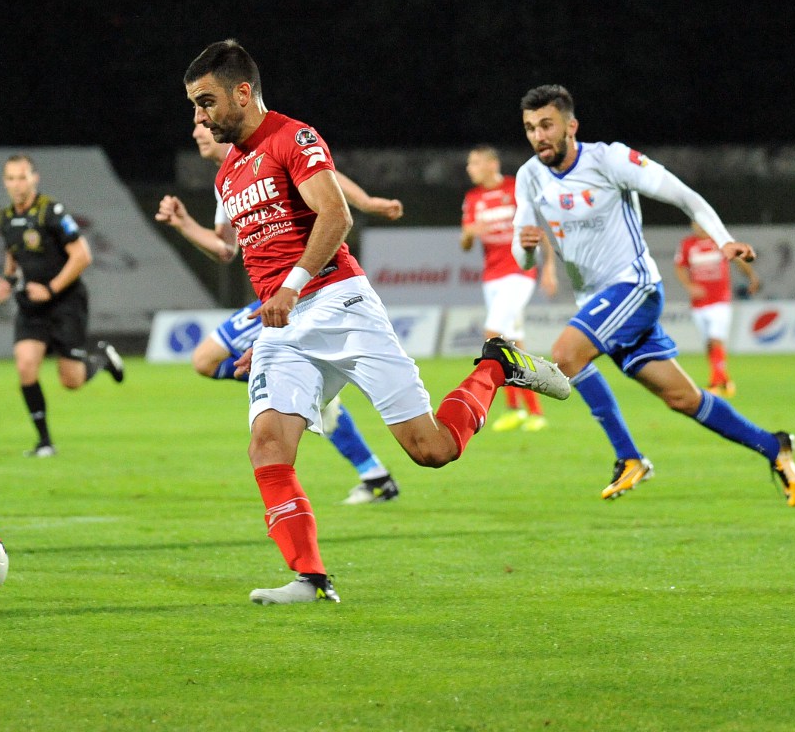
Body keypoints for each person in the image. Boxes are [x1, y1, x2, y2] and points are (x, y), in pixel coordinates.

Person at [182, 39, 570, 605]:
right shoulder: (228, 175)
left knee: (431, 449)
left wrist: (291, 287)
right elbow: (260, 257)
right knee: (267, 447)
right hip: (283, 330)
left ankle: (496, 366)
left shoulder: (294, 138)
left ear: (243, 92)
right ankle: (312, 580)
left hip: (340, 305)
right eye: (195, 106)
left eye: (206, 102)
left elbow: (335, 214)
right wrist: (267, 331)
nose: (200, 117)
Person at [511, 84, 795, 506]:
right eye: (530, 128)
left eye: (547, 125)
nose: (539, 136)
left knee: (565, 355)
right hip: (598, 304)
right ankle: (774, 446)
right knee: (682, 398)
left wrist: (723, 240)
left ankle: (629, 458)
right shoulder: (528, 176)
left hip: (635, 287)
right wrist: (526, 247)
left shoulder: (609, 160)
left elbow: (685, 196)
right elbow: (522, 257)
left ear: (571, 126)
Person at [157, 124, 404, 505]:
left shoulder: (264, 154)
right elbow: (225, 250)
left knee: (206, 359)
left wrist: (367, 202)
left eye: (204, 120)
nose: (197, 131)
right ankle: (313, 395)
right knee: (206, 361)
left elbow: (325, 176)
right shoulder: (226, 179)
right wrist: (184, 224)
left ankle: (303, 386)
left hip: (304, 293)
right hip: (275, 297)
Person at [0, 154, 125, 457]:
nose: (16, 184)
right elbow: (13, 255)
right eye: (11, 178)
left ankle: (101, 358)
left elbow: (82, 256)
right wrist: (6, 282)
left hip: (66, 302)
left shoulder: (51, 212)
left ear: (34, 178)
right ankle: (44, 443)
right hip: (32, 305)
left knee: (71, 381)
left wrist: (50, 289)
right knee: (25, 366)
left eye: (22, 177)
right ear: (4, 182)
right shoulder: (4, 218)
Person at [460, 144, 558, 432]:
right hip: (492, 277)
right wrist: (470, 233)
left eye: (474, 163)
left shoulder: (515, 188)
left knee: (493, 335)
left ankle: (498, 403)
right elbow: (465, 243)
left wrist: (549, 268)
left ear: (492, 164)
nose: (469, 169)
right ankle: (529, 411)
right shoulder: (473, 198)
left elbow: (539, 230)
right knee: (513, 343)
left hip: (519, 273)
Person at [674, 221, 760, 397]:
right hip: (699, 303)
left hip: (720, 300)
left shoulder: (720, 242)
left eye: (702, 223)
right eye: (696, 223)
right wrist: (690, 286)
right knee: (709, 344)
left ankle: (715, 383)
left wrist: (752, 276)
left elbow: (738, 260)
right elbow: (680, 267)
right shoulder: (687, 244)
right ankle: (724, 380)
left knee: (716, 340)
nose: (700, 226)